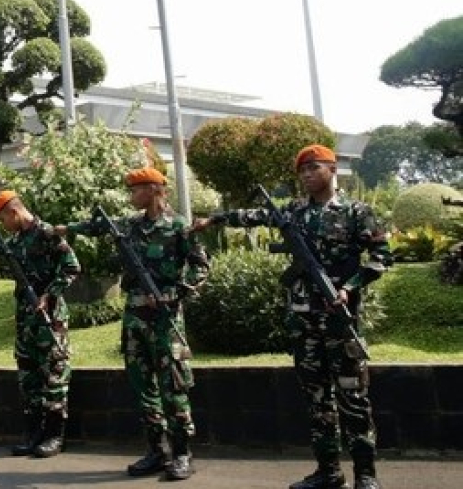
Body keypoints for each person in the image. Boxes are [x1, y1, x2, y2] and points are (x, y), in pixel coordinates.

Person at [193, 144, 391, 489]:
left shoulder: (357, 212)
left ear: (332, 169)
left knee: (353, 400)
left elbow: (382, 258)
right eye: (302, 170)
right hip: (304, 321)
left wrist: (349, 288)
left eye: (314, 167)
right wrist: (215, 219)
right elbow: (254, 216)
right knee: (316, 400)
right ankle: (328, 472)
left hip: (340, 321)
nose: (306, 174)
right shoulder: (294, 211)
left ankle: (365, 476)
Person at [56, 167, 209, 481]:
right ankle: (157, 450)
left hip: (166, 318)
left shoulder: (179, 226)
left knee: (173, 386)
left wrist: (173, 294)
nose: (131, 196)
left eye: (136, 190)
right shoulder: (131, 225)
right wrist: (64, 228)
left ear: (154, 189)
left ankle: (182, 453)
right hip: (135, 318)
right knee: (143, 386)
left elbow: (201, 267)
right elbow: (98, 226)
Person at [0, 190, 80, 458]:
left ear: (14, 212)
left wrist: (48, 294)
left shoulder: (48, 234)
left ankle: (54, 436)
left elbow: (71, 267)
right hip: (26, 319)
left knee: (54, 374)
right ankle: (33, 433)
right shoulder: (15, 241)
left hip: (50, 318)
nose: (4, 225)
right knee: (28, 377)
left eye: (3, 219)